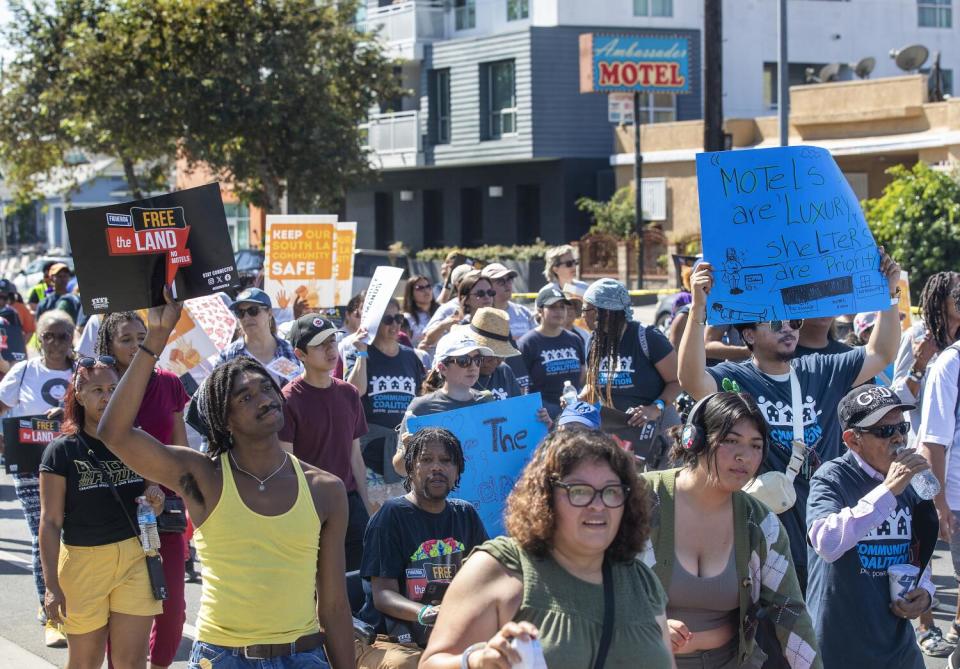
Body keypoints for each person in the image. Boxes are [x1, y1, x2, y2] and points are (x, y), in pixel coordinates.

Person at [97, 295, 354, 668]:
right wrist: (155, 338)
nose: (264, 399)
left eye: (266, 388)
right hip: (223, 658)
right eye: (245, 397)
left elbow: (333, 604)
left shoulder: (325, 489)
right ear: (225, 420)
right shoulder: (204, 476)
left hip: (304, 656)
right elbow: (115, 433)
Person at [677, 254, 903, 590]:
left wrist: (889, 294)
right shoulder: (733, 379)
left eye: (794, 322)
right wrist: (698, 309)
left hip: (818, 530)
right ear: (749, 335)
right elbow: (691, 379)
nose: (788, 328)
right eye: (776, 322)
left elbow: (882, 352)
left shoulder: (821, 369)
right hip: (757, 534)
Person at [419, 429, 674, 669]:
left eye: (611, 491)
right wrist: (476, 661)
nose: (598, 505)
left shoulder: (641, 580)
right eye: (579, 491)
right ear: (545, 498)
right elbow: (431, 664)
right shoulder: (499, 567)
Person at [644, 392, 821, 668]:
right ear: (696, 439)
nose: (744, 457)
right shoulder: (641, 499)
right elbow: (595, 581)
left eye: (756, 445)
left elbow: (789, 612)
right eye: (730, 441)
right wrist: (640, 625)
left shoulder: (761, 523)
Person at [38, 357, 166, 669]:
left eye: (113, 388)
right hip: (84, 562)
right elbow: (51, 522)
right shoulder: (62, 450)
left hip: (137, 555)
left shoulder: (136, 439)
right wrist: (52, 587)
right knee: (85, 663)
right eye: (97, 390)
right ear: (78, 395)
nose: (107, 397)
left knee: (131, 662)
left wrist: (156, 499)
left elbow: (154, 494)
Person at [807, 384, 937, 668]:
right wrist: (889, 490)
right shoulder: (832, 477)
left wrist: (925, 593)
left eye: (901, 427)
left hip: (898, 647)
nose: (899, 438)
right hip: (839, 647)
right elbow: (825, 543)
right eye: (884, 431)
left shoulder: (911, 479)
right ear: (853, 440)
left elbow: (922, 549)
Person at [95, 311, 191, 669]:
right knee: (119, 609)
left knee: (172, 610)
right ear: (108, 345)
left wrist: (184, 498)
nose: (137, 345)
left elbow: (181, 451)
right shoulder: (97, 385)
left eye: (142, 336)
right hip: (112, 512)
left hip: (162, 511)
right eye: (126, 339)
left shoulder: (169, 383)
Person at [356, 427, 488, 669]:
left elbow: (488, 579)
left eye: (446, 461)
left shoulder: (465, 514)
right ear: (410, 467)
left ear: (458, 469)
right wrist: (427, 612)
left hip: (449, 636)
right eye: (426, 460)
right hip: (389, 641)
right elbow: (383, 596)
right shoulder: (391, 515)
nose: (437, 467)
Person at [0, 309, 75, 647]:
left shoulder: (83, 372)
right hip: (32, 469)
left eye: (63, 335)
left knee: (73, 537)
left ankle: (73, 604)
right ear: (38, 338)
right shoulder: (24, 371)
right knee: (42, 536)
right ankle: (51, 615)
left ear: (72, 338)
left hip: (75, 467)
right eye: (49, 336)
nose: (56, 343)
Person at [278, 314, 372, 571]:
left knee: (356, 581)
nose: (331, 349)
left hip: (350, 503)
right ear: (300, 353)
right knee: (316, 585)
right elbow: (288, 466)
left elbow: (356, 458)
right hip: (309, 505)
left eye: (332, 340)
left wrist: (366, 507)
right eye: (320, 345)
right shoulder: (287, 399)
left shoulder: (349, 393)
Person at [346, 300, 425, 509]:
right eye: (387, 320)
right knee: (374, 522)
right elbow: (354, 392)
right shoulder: (362, 353)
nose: (395, 324)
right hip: (370, 455)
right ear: (374, 324)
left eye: (399, 318)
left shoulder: (409, 356)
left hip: (404, 453)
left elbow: (421, 396)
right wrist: (362, 353)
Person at [581, 278, 680, 426]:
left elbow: (677, 381)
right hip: (619, 430)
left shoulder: (648, 337)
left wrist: (655, 408)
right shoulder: (594, 341)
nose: (582, 315)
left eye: (585, 309)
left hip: (658, 429)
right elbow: (594, 386)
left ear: (604, 313)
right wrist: (577, 400)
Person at [393, 332, 496, 474]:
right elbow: (400, 470)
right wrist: (408, 449)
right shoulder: (421, 408)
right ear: (442, 368)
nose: (473, 366)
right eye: (463, 360)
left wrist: (536, 419)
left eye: (477, 359)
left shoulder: (487, 402)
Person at [519, 285, 586, 419]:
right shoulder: (527, 343)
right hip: (542, 412)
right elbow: (522, 386)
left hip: (573, 408)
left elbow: (583, 376)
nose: (559, 311)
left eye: (562, 306)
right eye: (552, 307)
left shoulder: (575, 339)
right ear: (540, 311)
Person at [217, 287, 300, 385]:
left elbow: (300, 390)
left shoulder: (289, 350)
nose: (247, 317)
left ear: (269, 313)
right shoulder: (228, 355)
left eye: (253, 310)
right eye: (240, 313)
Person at [419, 271, 496, 352]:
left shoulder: (500, 324)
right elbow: (427, 341)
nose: (487, 297)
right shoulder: (459, 331)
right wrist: (443, 325)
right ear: (466, 299)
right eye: (480, 293)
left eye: (490, 292)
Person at [458, 307, 524, 401]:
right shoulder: (456, 374)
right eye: (489, 354)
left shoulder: (504, 370)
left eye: (500, 355)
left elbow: (519, 408)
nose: (496, 361)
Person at [481, 263, 536, 340]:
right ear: (487, 286)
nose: (507, 284)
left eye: (509, 279)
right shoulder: (481, 316)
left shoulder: (524, 312)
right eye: (500, 281)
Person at [403, 275, 439, 347]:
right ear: (411, 294)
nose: (426, 291)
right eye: (420, 288)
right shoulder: (406, 319)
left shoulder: (441, 311)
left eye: (428, 286)